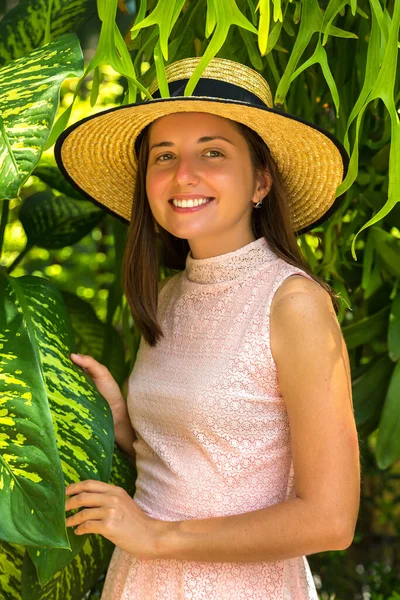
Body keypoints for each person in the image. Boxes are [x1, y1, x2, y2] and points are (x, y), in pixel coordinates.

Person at [55, 57, 360, 599]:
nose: (183, 175)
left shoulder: (292, 302)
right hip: (140, 582)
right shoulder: (169, 297)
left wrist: (154, 535)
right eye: (163, 156)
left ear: (261, 180)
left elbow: (330, 519)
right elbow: (195, 468)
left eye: (212, 152)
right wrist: (123, 424)